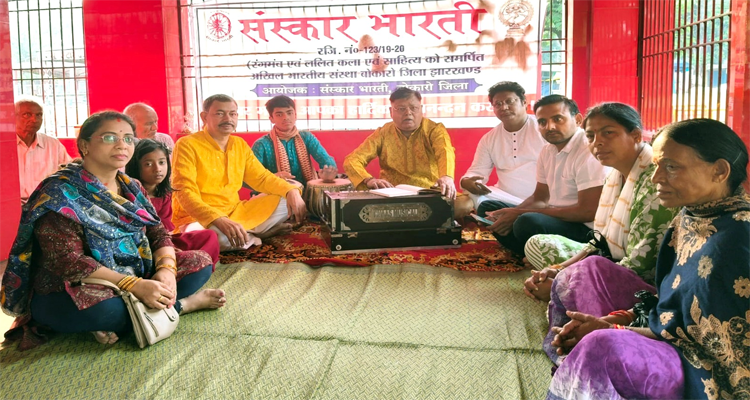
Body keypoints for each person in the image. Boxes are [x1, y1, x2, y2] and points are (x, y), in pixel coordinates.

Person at [546, 119, 750, 400]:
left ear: (719, 171)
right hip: (672, 342)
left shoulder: (739, 238)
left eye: (672, 167)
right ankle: (580, 366)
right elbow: (671, 303)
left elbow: (710, 347)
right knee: (586, 274)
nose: (656, 178)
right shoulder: (690, 217)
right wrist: (619, 322)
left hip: (708, 373)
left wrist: (617, 332)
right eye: (656, 166)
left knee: (603, 347)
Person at [1, 111, 226, 349]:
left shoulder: (132, 186)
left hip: (137, 272)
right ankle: (182, 305)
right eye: (109, 137)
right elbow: (69, 262)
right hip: (76, 286)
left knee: (200, 262)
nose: (122, 145)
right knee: (102, 310)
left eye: (128, 138)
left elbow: (158, 233)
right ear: (84, 145)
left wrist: (166, 272)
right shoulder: (60, 193)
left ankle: (136, 313)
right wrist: (134, 286)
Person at [520, 103, 677, 366]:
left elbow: (640, 267)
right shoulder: (614, 176)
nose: (597, 143)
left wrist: (566, 281)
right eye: (591, 136)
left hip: (648, 290)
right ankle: (567, 296)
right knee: (542, 248)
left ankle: (581, 322)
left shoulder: (654, 183)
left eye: (608, 133)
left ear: (635, 135)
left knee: (587, 269)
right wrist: (556, 270)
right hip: (613, 263)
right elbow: (599, 241)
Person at [171, 94, 307, 252]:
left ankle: (244, 235)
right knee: (213, 237)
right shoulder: (187, 145)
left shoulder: (239, 144)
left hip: (236, 211)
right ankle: (258, 235)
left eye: (232, 114)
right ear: (204, 117)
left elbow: (262, 178)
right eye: (220, 113)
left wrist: (291, 191)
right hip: (198, 218)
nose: (227, 119)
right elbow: (184, 192)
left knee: (289, 193)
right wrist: (217, 218)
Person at [478, 95, 607, 256]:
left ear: (578, 120)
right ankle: (533, 253)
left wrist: (518, 214)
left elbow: (587, 212)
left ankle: (548, 254)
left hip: (586, 230)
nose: (549, 127)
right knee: (488, 209)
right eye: (542, 122)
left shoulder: (588, 151)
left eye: (557, 119)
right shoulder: (547, 150)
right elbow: (540, 199)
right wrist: (511, 213)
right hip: (557, 218)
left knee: (527, 222)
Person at [343, 87, 457, 199]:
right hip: (390, 194)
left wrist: (446, 176)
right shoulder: (382, 133)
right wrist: (368, 180)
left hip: (429, 192)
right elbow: (352, 160)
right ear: (391, 112)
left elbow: (445, 152)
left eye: (413, 108)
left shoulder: (434, 130)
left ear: (421, 109)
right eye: (401, 109)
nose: (408, 113)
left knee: (461, 203)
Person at [125, 139, 220, 265]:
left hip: (164, 241)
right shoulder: (129, 192)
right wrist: (164, 250)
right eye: (148, 164)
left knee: (209, 236)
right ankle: (181, 264)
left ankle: (196, 264)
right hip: (140, 246)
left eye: (162, 162)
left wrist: (169, 247)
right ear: (136, 167)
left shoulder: (165, 194)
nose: (157, 169)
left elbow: (165, 228)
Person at [460, 81, 546, 209]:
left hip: (543, 198)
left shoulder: (544, 129)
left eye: (509, 101)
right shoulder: (489, 139)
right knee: (465, 200)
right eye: (498, 104)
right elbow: (477, 171)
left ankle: (507, 215)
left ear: (524, 102)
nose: (504, 107)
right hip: (505, 196)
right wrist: (466, 181)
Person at [251, 95, 337, 187]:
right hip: (275, 192)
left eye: (289, 113)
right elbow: (250, 177)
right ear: (271, 119)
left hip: (307, 191)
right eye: (279, 114)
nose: (286, 117)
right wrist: (273, 177)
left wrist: (328, 171)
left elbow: (325, 160)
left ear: (295, 115)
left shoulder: (306, 137)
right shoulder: (261, 144)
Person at [15, 96, 72, 204]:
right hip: (8, 204)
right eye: (27, 114)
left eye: (39, 115)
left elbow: (69, 173)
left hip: (45, 204)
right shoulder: (4, 145)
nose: (34, 120)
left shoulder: (53, 144)